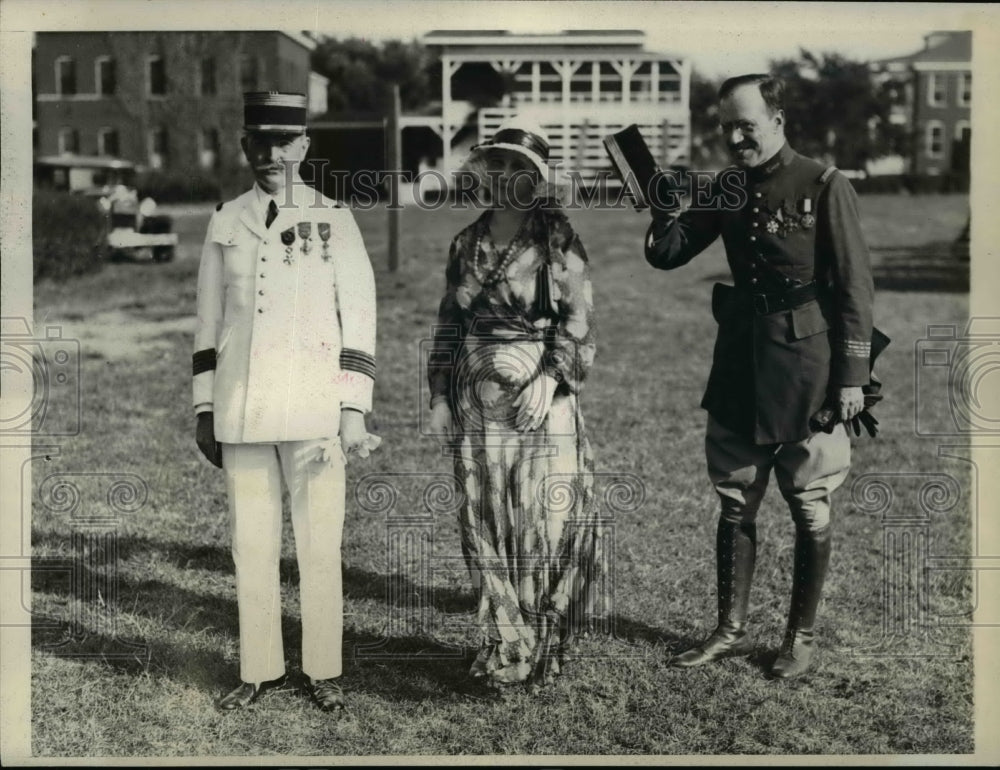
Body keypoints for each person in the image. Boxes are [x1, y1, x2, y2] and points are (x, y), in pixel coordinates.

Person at [643, 75, 875, 678]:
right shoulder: (725, 187)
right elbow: (667, 253)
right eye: (727, 126)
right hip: (742, 361)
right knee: (736, 498)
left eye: (747, 123)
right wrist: (659, 201)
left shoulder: (825, 185)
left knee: (808, 498)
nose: (736, 136)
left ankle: (799, 638)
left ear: (777, 118)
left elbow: (853, 289)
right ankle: (728, 630)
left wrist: (851, 377)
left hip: (808, 367)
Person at [192, 91, 379, 711]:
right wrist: (204, 409)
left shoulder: (335, 218)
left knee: (319, 543)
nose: (270, 154)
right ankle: (258, 669)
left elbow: (359, 319)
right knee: (251, 545)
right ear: (245, 146)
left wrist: (353, 408)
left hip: (316, 410)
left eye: (283, 143)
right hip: (242, 408)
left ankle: (322, 669)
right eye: (258, 142)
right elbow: (207, 324)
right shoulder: (226, 219)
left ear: (302, 147)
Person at [427, 117, 605, 690]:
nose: (505, 177)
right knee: (487, 520)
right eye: (497, 165)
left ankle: (544, 640)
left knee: (545, 520)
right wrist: (438, 395)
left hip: (540, 402)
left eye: (518, 169)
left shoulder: (558, 241)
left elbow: (578, 325)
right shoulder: (465, 243)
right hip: (478, 406)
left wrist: (548, 381)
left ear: (535, 179)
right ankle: (506, 641)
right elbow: (449, 325)